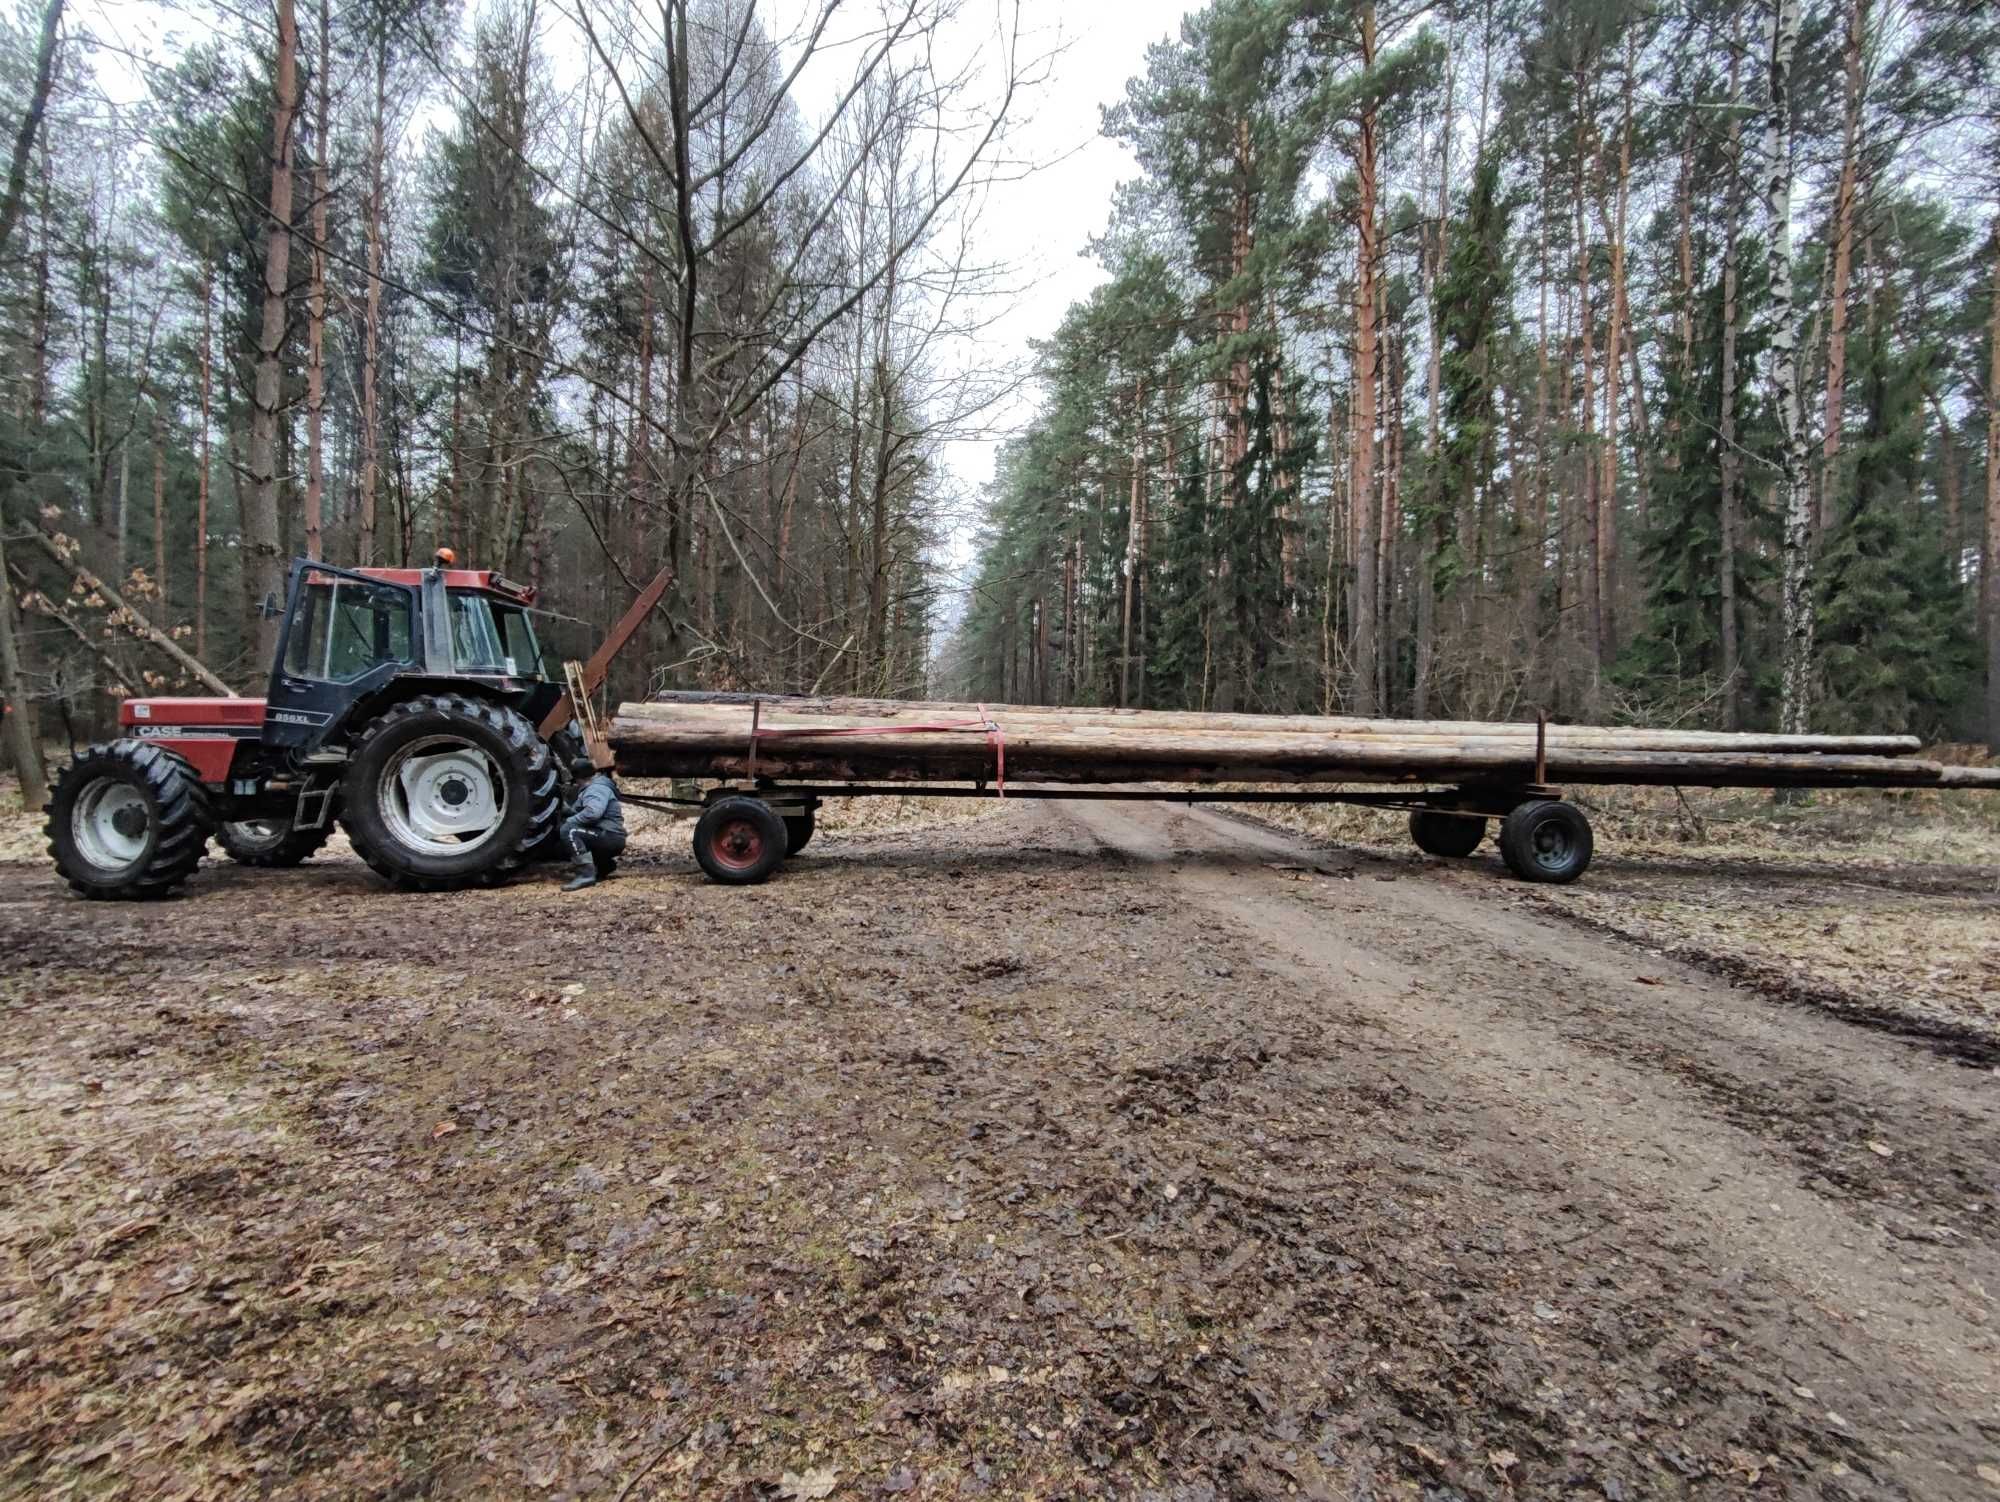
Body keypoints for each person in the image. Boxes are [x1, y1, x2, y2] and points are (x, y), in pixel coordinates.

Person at [560, 756, 626, 891]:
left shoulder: (596, 789)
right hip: (609, 835)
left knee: (569, 830)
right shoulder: (596, 786)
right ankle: (604, 865)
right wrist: (567, 810)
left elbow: (593, 813)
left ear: (578, 778)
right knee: (575, 829)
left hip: (609, 836)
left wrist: (569, 820)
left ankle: (585, 875)